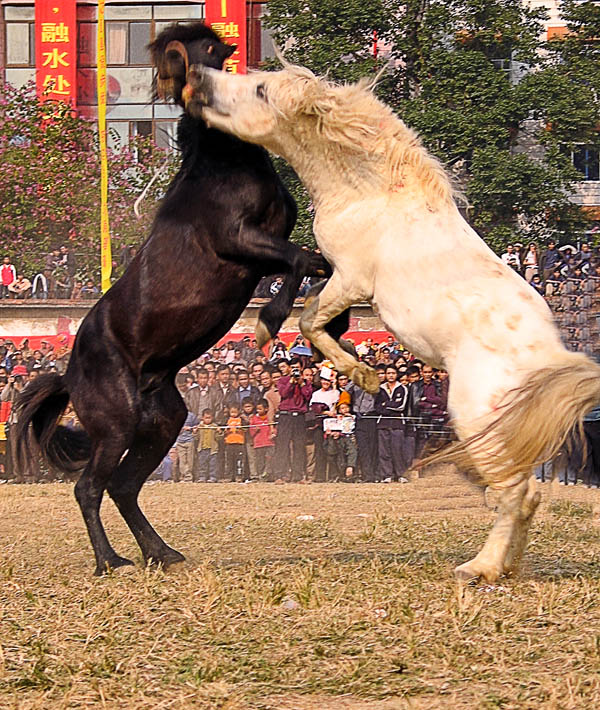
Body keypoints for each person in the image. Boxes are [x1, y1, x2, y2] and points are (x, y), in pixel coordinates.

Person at [273, 357, 313, 482]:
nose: (295, 370)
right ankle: (280, 475)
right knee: (282, 446)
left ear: (301, 368)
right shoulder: (282, 380)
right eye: (293, 368)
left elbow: (308, 396)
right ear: (290, 368)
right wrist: (291, 381)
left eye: (298, 368)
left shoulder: (306, 382)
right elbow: (284, 393)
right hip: (285, 416)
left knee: (299, 446)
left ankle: (298, 475)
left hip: (299, 417)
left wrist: (301, 383)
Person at [375, 364, 409, 482]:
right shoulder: (380, 388)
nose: (390, 375)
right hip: (383, 423)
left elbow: (401, 406)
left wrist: (386, 405)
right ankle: (387, 475)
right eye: (388, 373)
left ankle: (401, 474)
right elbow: (377, 407)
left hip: (397, 422)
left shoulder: (402, 388)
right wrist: (388, 405)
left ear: (396, 374)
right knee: (384, 451)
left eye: (393, 373)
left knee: (398, 450)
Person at [324, 396, 358, 481]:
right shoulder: (333, 419)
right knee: (333, 453)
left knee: (351, 451)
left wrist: (350, 417)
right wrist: (330, 434)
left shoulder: (352, 417)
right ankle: (337, 474)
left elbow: (350, 428)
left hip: (348, 438)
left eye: (346, 407)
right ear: (339, 410)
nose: (345, 410)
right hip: (335, 440)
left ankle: (350, 470)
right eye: (342, 408)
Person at [250, 398, 275, 480]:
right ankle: (260, 475)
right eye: (257, 409)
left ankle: (269, 475)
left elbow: (274, 429)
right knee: (260, 461)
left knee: (270, 459)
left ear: (266, 408)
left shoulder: (270, 418)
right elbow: (251, 432)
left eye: (260, 409)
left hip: (269, 443)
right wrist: (254, 430)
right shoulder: (254, 419)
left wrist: (273, 434)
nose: (258, 411)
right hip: (258, 444)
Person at [195, 408, 220, 482]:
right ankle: (202, 477)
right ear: (202, 417)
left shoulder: (215, 426)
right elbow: (196, 438)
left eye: (209, 418)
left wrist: (219, 432)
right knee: (202, 464)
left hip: (212, 449)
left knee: (213, 464)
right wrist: (195, 432)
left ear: (212, 418)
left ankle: (213, 477)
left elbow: (218, 438)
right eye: (206, 418)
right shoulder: (200, 426)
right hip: (202, 449)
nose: (208, 420)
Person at [174, 409, 198, 482]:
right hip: (180, 442)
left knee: (190, 461)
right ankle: (185, 476)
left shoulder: (191, 416)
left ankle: (189, 476)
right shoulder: (176, 415)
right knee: (182, 461)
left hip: (190, 441)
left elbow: (197, 424)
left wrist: (194, 429)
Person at [224, 403, 245, 481]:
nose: (233, 414)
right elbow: (223, 432)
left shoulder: (241, 420)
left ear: (238, 411)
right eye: (231, 412)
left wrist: (240, 428)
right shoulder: (227, 420)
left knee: (239, 461)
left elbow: (246, 429)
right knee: (229, 461)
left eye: (235, 412)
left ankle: (238, 476)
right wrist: (227, 429)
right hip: (229, 442)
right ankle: (229, 476)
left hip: (239, 442)